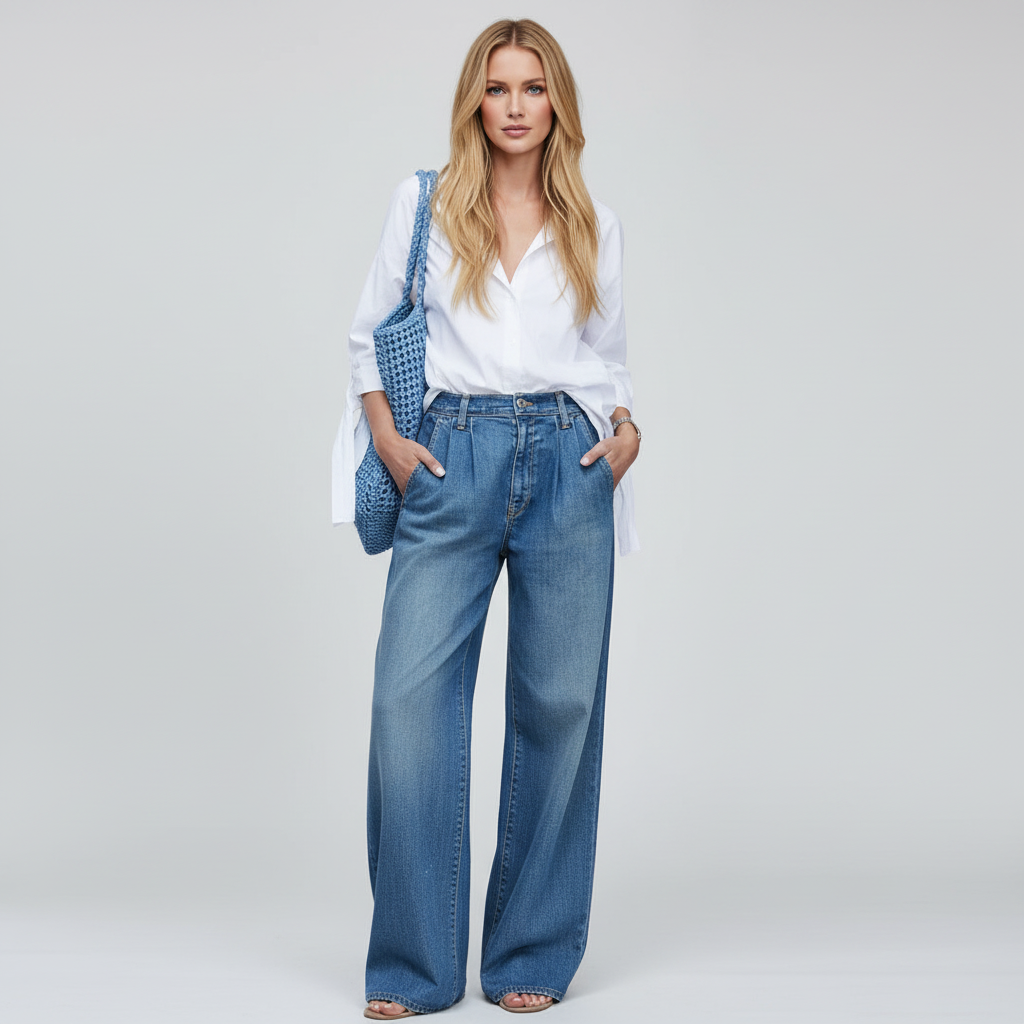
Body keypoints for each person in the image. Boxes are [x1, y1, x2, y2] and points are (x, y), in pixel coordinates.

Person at [331, 18, 641, 1018]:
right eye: (498, 87)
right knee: (407, 704)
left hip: (568, 462)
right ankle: (414, 967)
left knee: (561, 706)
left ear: (558, 105)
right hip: (449, 453)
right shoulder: (424, 202)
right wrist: (388, 437)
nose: (515, 106)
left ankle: (529, 952)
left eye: (533, 88)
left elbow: (608, 363)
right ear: (474, 100)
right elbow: (367, 337)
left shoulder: (594, 223)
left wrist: (626, 432)